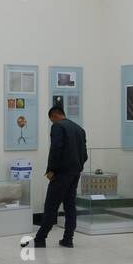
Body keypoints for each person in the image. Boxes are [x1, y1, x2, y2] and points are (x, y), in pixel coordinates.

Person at [34, 104, 87, 248]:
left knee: (51, 205)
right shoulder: (79, 129)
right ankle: (68, 239)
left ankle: (40, 238)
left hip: (61, 173)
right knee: (70, 205)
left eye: (51, 120)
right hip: (75, 172)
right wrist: (78, 167)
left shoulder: (58, 126)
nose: (52, 123)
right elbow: (84, 154)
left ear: (54, 116)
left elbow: (55, 149)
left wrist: (51, 169)